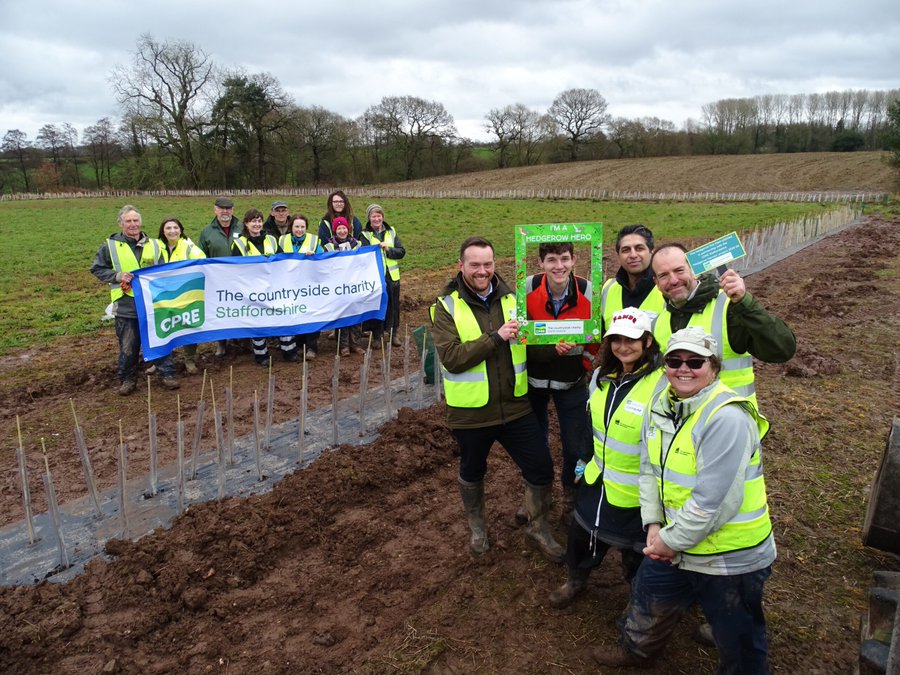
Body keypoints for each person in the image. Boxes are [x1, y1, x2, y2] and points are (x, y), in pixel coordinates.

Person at [594, 327, 774, 671]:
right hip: (674, 541)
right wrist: (653, 523)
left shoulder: (727, 418)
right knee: (646, 601)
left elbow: (714, 502)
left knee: (739, 639)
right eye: (675, 360)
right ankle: (636, 652)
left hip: (728, 555)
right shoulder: (661, 406)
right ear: (665, 365)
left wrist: (668, 541)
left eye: (696, 361)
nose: (684, 368)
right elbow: (649, 469)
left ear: (714, 367)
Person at [430, 236, 564, 562]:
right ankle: (478, 530)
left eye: (487, 264)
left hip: (516, 407)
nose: (482, 271)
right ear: (460, 266)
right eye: (474, 264)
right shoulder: (445, 307)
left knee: (541, 468)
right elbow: (452, 357)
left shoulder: (513, 300)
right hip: (472, 413)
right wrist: (496, 336)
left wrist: (554, 346)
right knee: (473, 471)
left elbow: (528, 343)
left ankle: (536, 526)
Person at [549, 308, 665, 608]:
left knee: (637, 554)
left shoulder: (661, 384)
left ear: (648, 341)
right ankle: (576, 580)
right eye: (616, 339)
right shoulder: (601, 376)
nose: (623, 346)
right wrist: (582, 461)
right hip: (597, 481)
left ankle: (636, 600)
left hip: (636, 491)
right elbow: (590, 425)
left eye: (632, 339)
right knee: (582, 535)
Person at [650, 243, 796, 405]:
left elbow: (782, 349)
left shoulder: (729, 309)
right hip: (681, 424)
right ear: (656, 282)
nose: (673, 280)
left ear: (693, 271)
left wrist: (745, 303)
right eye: (663, 275)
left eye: (679, 270)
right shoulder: (659, 322)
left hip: (730, 420)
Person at [524, 242, 594, 525]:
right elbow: (521, 332)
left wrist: (584, 363)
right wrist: (546, 352)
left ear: (574, 259)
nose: (558, 266)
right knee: (534, 442)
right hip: (534, 382)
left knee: (574, 444)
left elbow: (596, 334)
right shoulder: (526, 288)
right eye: (551, 260)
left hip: (572, 382)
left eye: (564, 259)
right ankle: (537, 496)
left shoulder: (588, 289)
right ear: (541, 263)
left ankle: (570, 496)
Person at [90, 205, 179, 395]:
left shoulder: (154, 245)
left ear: (141, 222)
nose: (133, 224)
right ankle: (127, 379)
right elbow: (97, 269)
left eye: (136, 220)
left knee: (160, 338)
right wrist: (117, 276)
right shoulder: (110, 246)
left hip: (153, 303)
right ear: (121, 223)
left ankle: (167, 374)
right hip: (126, 304)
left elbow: (162, 270)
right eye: (128, 221)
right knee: (128, 346)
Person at [141, 216, 206, 374]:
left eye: (175, 228)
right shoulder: (154, 246)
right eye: (168, 228)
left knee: (188, 326)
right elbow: (143, 264)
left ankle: (189, 360)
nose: (172, 231)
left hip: (184, 294)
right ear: (163, 231)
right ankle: (160, 360)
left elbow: (203, 262)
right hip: (160, 295)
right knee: (162, 329)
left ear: (181, 230)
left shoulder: (189, 247)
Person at [231, 209, 297, 365]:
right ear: (246, 224)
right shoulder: (239, 244)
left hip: (274, 288)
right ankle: (262, 356)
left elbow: (282, 261)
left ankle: (289, 351)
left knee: (282, 317)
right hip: (252, 290)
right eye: (253, 221)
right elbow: (235, 269)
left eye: (259, 221)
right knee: (258, 322)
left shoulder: (272, 240)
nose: (257, 224)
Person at [198, 196, 242, 357]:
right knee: (221, 310)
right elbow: (201, 256)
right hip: (218, 279)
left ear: (232, 210)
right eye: (222, 208)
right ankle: (221, 342)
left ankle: (244, 340)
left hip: (241, 277)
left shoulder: (241, 227)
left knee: (243, 308)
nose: (225, 211)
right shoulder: (207, 232)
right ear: (215, 210)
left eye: (228, 208)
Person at [600, 224, 665, 332]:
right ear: (618, 256)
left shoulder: (668, 288)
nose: (633, 255)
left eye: (639, 248)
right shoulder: (608, 288)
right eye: (626, 250)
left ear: (652, 252)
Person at [361, 203, 405, 347]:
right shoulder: (364, 235)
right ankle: (377, 335)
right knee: (377, 305)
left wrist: (388, 249)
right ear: (369, 218)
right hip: (375, 276)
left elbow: (401, 251)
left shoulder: (391, 232)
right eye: (373, 216)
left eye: (379, 216)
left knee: (393, 306)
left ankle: (393, 334)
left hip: (392, 276)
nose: (376, 219)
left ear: (382, 217)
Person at [279, 213, 323, 360]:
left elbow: (323, 260)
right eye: (296, 226)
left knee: (310, 315)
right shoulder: (282, 240)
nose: (299, 230)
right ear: (291, 227)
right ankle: (298, 345)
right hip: (289, 285)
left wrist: (314, 257)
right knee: (295, 314)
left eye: (302, 227)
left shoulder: (314, 240)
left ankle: (312, 347)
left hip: (308, 285)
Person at [324, 217, 364, 356]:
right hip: (338, 286)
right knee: (343, 315)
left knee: (356, 314)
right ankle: (344, 346)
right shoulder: (329, 246)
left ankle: (356, 343)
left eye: (344, 228)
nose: (342, 231)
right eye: (339, 228)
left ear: (348, 229)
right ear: (335, 230)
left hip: (354, 284)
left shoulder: (357, 244)